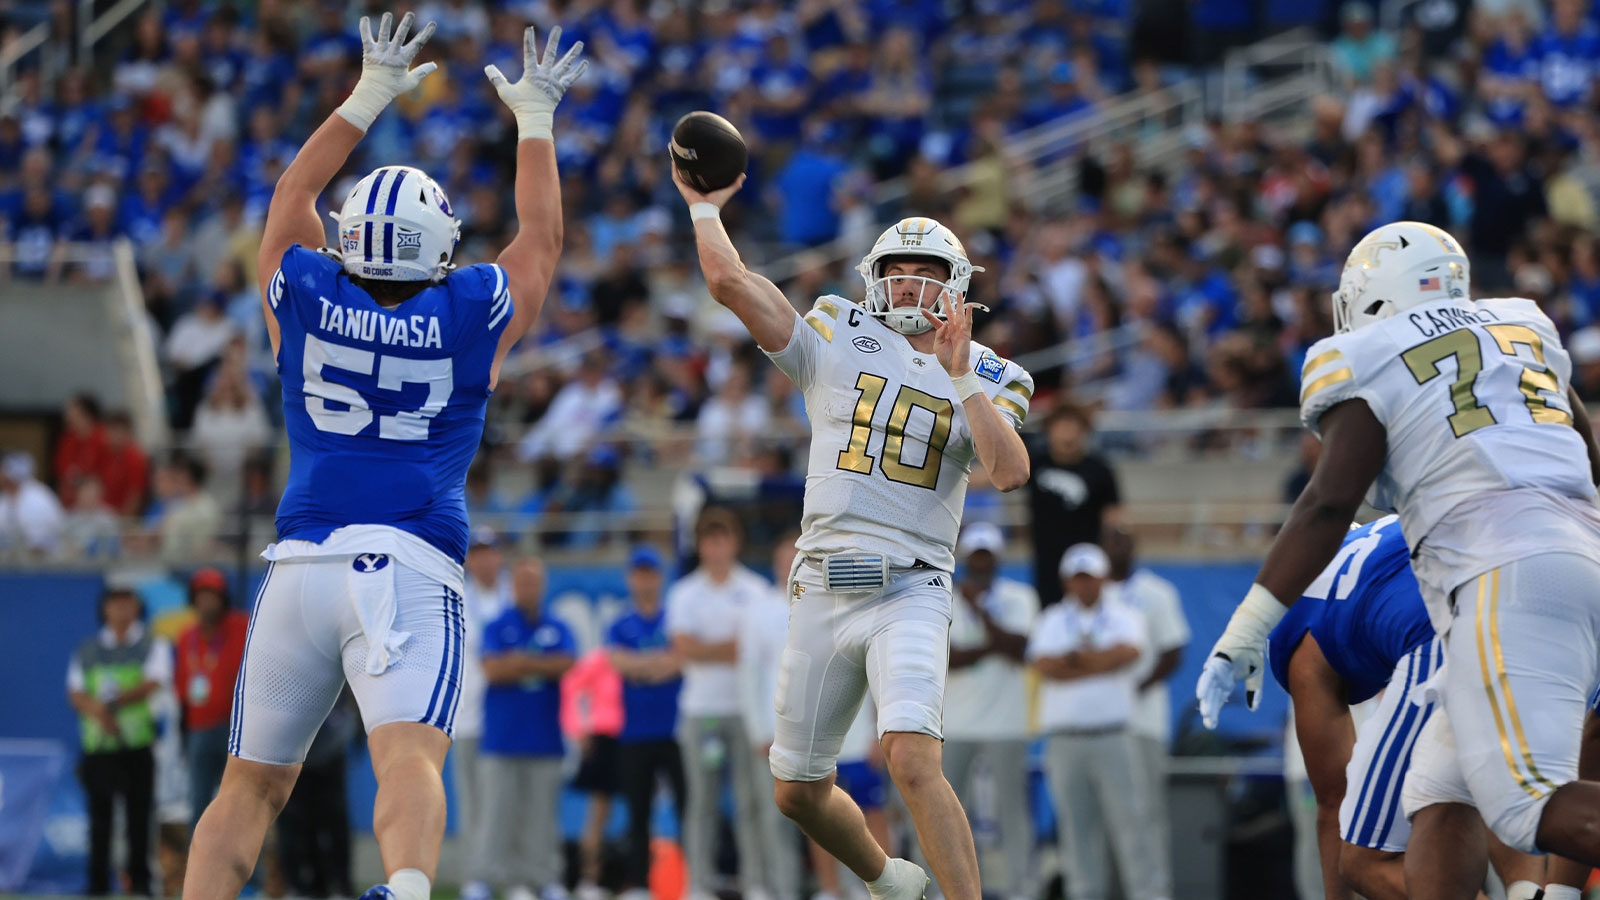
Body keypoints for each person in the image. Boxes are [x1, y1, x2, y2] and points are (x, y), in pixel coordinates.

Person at [181, 15, 586, 900]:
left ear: (351, 236)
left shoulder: (308, 288)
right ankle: (404, 889)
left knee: (246, 788)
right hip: (403, 564)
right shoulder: (468, 309)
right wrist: (536, 121)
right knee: (408, 754)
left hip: (299, 566)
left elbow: (292, 195)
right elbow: (541, 240)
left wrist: (367, 94)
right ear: (440, 247)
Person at [1196, 221, 1600, 899]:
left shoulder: (1367, 351)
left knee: (1524, 807)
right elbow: (1588, 457)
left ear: (1370, 296)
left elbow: (1329, 503)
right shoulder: (1520, 325)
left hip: (1504, 573)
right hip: (1578, 558)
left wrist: (1246, 629)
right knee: (1437, 794)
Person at [674, 150, 1034, 900]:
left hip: (910, 588)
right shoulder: (837, 332)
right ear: (876, 277)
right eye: (899, 271)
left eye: (927, 274)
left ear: (957, 288)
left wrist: (961, 373)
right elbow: (730, 283)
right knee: (796, 791)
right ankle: (890, 881)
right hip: (819, 588)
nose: (910, 285)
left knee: (908, 757)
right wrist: (704, 207)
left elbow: (1009, 470)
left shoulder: (992, 371)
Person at [1263, 515, 1544, 900]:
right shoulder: (1383, 529)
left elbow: (1334, 803)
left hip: (1445, 641)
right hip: (1533, 599)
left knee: (1365, 861)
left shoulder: (1298, 633)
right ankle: (1529, 891)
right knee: (1484, 789)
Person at [1026, 544, 1159, 900]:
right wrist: (1100, 661)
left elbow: (1128, 653)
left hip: (1114, 735)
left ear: (1103, 579)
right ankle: (1085, 894)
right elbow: (1044, 665)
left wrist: (1073, 662)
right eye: (1078, 579)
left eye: (1090, 579)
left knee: (1132, 823)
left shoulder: (1125, 615)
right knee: (1075, 827)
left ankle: (1147, 894)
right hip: (1065, 740)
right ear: (1067, 582)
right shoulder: (1052, 618)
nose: (1084, 586)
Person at [665, 507, 777, 900]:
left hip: (748, 712)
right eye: (709, 538)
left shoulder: (756, 588)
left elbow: (758, 653)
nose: (716, 546)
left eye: (723, 536)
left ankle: (755, 881)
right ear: (700, 545)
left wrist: (708, 648)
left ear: (735, 541)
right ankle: (700, 883)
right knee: (702, 803)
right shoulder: (684, 592)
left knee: (751, 800)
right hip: (702, 711)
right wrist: (732, 647)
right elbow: (683, 649)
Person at [936, 522, 1038, 900]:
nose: (980, 561)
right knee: (943, 812)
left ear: (996, 558)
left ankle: (1022, 887)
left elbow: (1024, 649)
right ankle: (940, 885)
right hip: (954, 723)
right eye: (975, 554)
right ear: (965, 557)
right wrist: (994, 644)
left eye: (986, 554)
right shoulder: (943, 594)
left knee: (1013, 810)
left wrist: (980, 613)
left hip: (1007, 723)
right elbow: (945, 658)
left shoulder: (1020, 596)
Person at [480, 557, 578, 900]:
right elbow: (493, 670)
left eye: (534, 582)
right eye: (522, 581)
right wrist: (540, 666)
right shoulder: (498, 624)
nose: (528, 588)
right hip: (504, 737)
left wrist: (520, 662)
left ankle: (543, 878)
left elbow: (567, 663)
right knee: (499, 815)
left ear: (543, 585)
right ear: (512, 585)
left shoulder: (557, 624)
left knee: (542, 817)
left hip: (545, 736)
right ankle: (496, 879)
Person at [68, 586, 173, 897]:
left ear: (137, 608)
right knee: (99, 819)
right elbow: (75, 691)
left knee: (139, 817)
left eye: (128, 604)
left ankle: (140, 882)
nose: (121, 610)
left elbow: (154, 681)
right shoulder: (87, 649)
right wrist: (99, 712)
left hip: (137, 744)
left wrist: (112, 706)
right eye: (115, 604)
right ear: (105, 609)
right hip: (99, 745)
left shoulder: (153, 644)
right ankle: (97, 885)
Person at [1101, 526, 1189, 900]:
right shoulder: (1089, 592)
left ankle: (1153, 893)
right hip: (1096, 725)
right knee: (1102, 817)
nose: (1115, 547)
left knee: (1145, 814)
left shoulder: (1156, 593)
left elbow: (1172, 653)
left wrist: (1131, 689)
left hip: (1142, 723)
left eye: (1122, 540)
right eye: (1108, 541)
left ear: (1134, 546)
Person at [606, 545, 686, 900]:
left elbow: (680, 660)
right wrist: (658, 665)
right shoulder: (620, 623)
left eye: (650, 573)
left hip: (675, 730)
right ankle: (639, 884)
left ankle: (690, 880)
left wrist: (643, 666)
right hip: (635, 732)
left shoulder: (675, 618)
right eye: (638, 573)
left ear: (660, 577)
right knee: (638, 813)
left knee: (688, 807)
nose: (644, 580)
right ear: (630, 579)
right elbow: (618, 662)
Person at [737, 532, 806, 900]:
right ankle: (781, 889)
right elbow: (748, 674)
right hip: (774, 729)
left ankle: (839, 887)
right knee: (771, 815)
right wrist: (756, 728)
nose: (790, 566)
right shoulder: (758, 607)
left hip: (817, 731)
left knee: (825, 816)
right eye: (784, 559)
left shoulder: (824, 601)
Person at [457, 528, 511, 900]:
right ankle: (476, 875)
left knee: (507, 800)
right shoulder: (457, 595)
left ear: (499, 556)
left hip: (508, 715)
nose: (484, 560)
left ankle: (508, 874)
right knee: (472, 800)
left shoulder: (514, 596)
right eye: (477, 553)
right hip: (467, 714)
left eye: (489, 552)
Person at [173, 567, 249, 825]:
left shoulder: (241, 626)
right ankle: (198, 865)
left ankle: (250, 867)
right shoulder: (187, 637)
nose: (207, 603)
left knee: (242, 805)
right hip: (199, 729)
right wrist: (184, 733)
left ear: (223, 598)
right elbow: (182, 688)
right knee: (198, 803)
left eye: (212, 596)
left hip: (236, 729)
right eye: (201, 596)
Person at [1026, 404, 1120, 606]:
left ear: (1084, 431)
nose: (1067, 433)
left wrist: (1112, 554)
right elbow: (996, 478)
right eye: (1061, 426)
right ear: (1049, 430)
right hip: (1047, 560)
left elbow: (1114, 515)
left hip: (1088, 561)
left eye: (1074, 426)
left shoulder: (1099, 468)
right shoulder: (1035, 463)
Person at [0, 451, 65, 556]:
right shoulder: (4, 498)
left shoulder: (39, 496)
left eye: (2, 469)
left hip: (42, 561)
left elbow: (44, 536)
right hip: (11, 561)